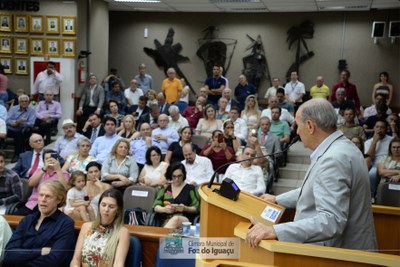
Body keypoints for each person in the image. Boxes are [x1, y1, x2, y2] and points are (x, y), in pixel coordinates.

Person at [246, 99, 377, 251]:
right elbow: (315, 188)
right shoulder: (341, 147)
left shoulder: (333, 159)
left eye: (297, 125)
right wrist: (277, 199)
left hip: (341, 256)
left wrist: (275, 230)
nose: (296, 131)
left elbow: (331, 221)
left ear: (309, 125)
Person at [4, 180, 75, 266]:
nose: (43, 200)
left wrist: (21, 258)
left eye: (48, 196)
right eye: (41, 195)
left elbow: (54, 260)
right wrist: (39, 251)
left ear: (59, 200)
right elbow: (9, 254)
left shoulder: (66, 223)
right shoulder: (27, 220)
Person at [70, 188, 130, 266]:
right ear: (99, 206)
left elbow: (118, 264)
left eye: (111, 207)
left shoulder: (122, 232)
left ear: (118, 209)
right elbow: (75, 260)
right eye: (103, 205)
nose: (106, 209)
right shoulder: (86, 227)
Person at [15, 150, 69, 216]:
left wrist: (58, 169)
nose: (50, 160)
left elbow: (64, 188)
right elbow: (31, 184)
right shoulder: (39, 170)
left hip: (50, 204)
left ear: (57, 160)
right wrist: (44, 169)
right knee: (17, 217)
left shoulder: (63, 172)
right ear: (43, 161)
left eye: (52, 158)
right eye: (47, 159)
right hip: (33, 203)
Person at [153, 163, 200, 228]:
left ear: (184, 175)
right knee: (173, 220)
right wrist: (164, 209)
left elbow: (196, 208)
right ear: (170, 176)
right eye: (174, 176)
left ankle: (160, 237)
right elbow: (156, 206)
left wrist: (186, 208)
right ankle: (162, 236)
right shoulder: (165, 188)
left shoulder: (190, 189)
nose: (177, 179)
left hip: (185, 221)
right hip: (165, 220)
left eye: (179, 176)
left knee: (176, 219)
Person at [364, 119, 393, 198]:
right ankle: (371, 196)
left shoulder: (391, 140)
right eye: (377, 127)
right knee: (372, 174)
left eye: (382, 127)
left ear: (387, 129)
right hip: (374, 165)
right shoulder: (368, 142)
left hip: (389, 164)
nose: (379, 129)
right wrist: (375, 141)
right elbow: (369, 157)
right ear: (374, 128)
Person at [7, 94, 36, 162]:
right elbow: (7, 120)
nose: (24, 103)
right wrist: (15, 122)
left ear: (28, 102)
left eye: (26, 101)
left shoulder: (31, 110)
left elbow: (31, 123)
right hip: (12, 128)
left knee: (19, 132)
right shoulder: (14, 108)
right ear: (19, 102)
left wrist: (21, 123)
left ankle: (17, 154)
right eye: (22, 101)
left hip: (23, 129)